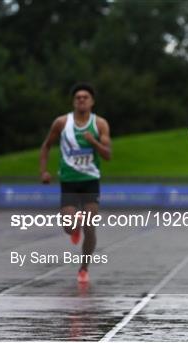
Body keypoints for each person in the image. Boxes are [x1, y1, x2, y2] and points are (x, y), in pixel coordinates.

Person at [40, 83, 111, 282]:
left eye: (85, 97)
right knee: (68, 227)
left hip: (90, 180)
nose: (81, 100)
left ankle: (83, 268)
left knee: (90, 227)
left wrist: (93, 142)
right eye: (78, 97)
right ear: (73, 101)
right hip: (69, 180)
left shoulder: (100, 124)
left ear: (92, 101)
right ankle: (74, 228)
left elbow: (107, 155)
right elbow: (46, 147)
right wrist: (44, 171)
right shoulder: (62, 123)